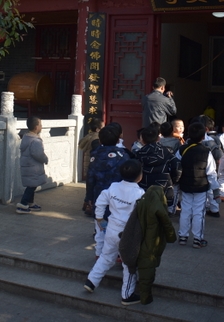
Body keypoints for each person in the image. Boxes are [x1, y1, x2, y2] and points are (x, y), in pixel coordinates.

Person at [84, 159, 145, 306]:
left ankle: (91, 281)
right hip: (128, 234)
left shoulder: (113, 187)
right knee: (129, 264)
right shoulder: (140, 193)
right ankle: (127, 295)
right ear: (140, 176)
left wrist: (100, 219)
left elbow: (100, 201)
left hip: (111, 229)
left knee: (106, 257)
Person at [119, 184, 177, 305]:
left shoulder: (141, 203)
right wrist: (171, 237)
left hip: (140, 240)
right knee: (148, 270)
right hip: (151, 244)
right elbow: (167, 223)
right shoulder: (159, 207)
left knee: (143, 269)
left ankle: (140, 294)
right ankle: (145, 298)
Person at [85, 125, 131, 257]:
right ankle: (118, 254)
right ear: (118, 140)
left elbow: (90, 178)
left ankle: (99, 253)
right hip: (118, 196)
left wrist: (89, 197)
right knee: (118, 224)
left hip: (99, 195)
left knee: (100, 225)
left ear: (100, 140)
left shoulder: (94, 155)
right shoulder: (123, 156)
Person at [175, 122, 219, 248]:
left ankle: (183, 236)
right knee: (199, 212)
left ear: (188, 134)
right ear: (203, 136)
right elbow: (211, 173)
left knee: (185, 211)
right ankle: (197, 239)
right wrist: (215, 190)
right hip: (201, 187)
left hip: (185, 185)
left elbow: (176, 167)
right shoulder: (206, 152)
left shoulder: (181, 150)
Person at [133, 125, 181, 214]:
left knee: (146, 213)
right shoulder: (167, 152)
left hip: (144, 187)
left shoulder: (138, 154)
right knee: (163, 214)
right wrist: (174, 180)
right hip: (164, 187)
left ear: (142, 140)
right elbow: (177, 166)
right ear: (159, 138)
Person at [16, 116, 49, 214]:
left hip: (27, 166)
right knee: (31, 187)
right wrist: (45, 159)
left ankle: (30, 203)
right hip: (33, 167)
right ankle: (23, 204)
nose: (41, 127)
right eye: (40, 125)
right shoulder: (35, 140)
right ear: (36, 127)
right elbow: (38, 154)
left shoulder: (26, 137)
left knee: (32, 185)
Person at [79, 118, 103, 216]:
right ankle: (89, 206)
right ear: (97, 129)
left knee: (89, 186)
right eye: (102, 127)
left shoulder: (88, 136)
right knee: (93, 188)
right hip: (93, 166)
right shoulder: (97, 139)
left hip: (88, 165)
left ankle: (86, 203)